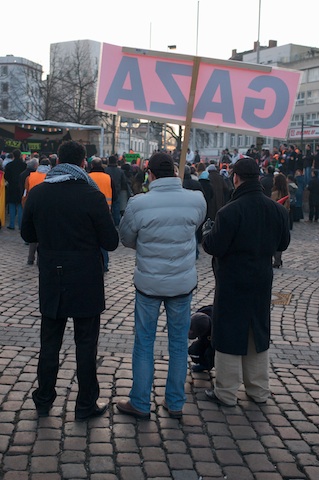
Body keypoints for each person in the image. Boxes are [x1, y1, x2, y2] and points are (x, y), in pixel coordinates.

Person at [20, 140, 119, 421]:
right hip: (86, 277)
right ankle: (85, 403)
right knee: (86, 344)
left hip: (52, 274)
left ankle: (43, 398)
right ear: (83, 163)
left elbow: (28, 235)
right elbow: (110, 242)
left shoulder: (38, 194)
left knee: (49, 342)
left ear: (57, 161)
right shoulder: (92, 195)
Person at [116, 152, 206, 419]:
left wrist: (145, 244)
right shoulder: (195, 200)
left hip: (149, 284)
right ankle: (175, 402)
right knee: (178, 344)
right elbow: (194, 228)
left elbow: (126, 238)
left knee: (144, 342)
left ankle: (141, 402)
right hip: (181, 283)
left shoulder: (139, 204)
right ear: (175, 172)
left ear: (150, 174)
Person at [202, 157, 290, 407]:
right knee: (257, 331)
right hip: (261, 279)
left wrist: (208, 232)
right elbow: (282, 244)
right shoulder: (277, 210)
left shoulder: (230, 211)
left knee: (229, 331)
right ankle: (259, 389)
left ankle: (226, 391)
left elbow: (214, 246)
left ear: (236, 178)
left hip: (232, 280)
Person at [22, 158, 51, 265]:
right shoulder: (50, 177)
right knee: (43, 234)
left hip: (32, 206)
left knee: (33, 234)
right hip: (46, 208)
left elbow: (25, 193)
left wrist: (24, 206)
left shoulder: (30, 176)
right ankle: (40, 259)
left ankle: (30, 258)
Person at [88, 156, 115, 272]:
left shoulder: (87, 177)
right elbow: (115, 193)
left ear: (92, 165)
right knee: (103, 237)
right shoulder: (108, 177)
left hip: (89, 211)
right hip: (106, 210)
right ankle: (105, 264)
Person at [4, 149, 26, 230]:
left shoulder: (9, 165)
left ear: (13, 155)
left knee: (12, 206)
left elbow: (6, 176)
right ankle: (20, 225)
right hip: (21, 187)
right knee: (20, 206)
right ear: (20, 155)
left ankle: (12, 224)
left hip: (12, 187)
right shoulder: (24, 165)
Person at [271, 173, 290, 268]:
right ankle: (278, 259)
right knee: (280, 237)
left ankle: (276, 260)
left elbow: (272, 206)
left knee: (274, 239)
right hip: (284, 216)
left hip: (275, 218)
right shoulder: (286, 193)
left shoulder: (275, 193)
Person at [105, 155, 127, 226]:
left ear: (109, 161)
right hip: (117, 192)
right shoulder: (120, 171)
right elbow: (124, 182)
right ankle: (117, 225)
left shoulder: (105, 170)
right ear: (116, 161)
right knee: (116, 210)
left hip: (106, 193)